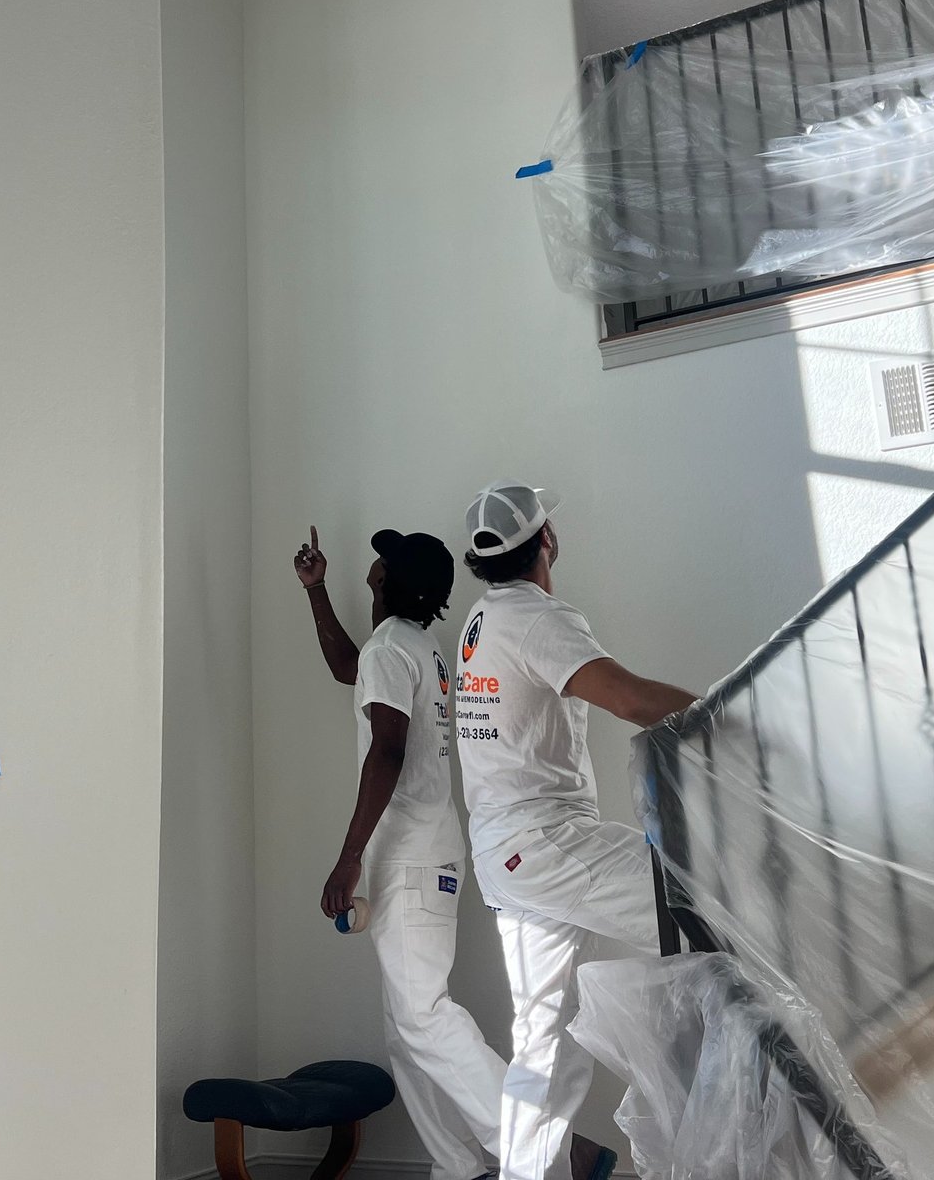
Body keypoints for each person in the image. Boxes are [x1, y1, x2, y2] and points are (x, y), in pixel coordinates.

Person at [453, 483, 702, 1180]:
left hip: (507, 853)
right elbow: (628, 697)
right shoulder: (538, 619)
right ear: (547, 540)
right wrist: (729, 715)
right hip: (546, 842)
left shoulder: (482, 618)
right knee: (705, 906)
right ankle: (724, 1128)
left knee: (543, 1049)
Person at [294, 525, 507, 1180]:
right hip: (424, 851)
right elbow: (347, 668)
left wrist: (349, 856)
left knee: (423, 1017)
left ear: (386, 579)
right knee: (407, 1030)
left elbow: (387, 749)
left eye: (381, 559)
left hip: (410, 856)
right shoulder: (415, 645)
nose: (373, 564)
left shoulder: (394, 646)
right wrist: (316, 590)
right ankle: (459, 1168)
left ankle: (548, 1146)